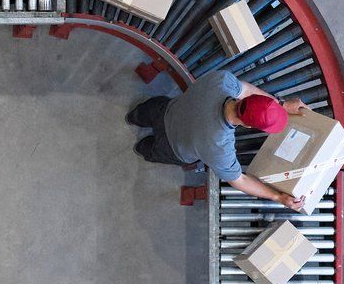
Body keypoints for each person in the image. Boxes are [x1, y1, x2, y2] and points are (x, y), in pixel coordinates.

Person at [127, 69, 312, 212]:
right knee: (147, 149)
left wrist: (281, 104)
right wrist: (278, 197)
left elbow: (246, 89)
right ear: (247, 126)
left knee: (142, 113)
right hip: (171, 148)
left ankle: (132, 118)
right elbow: (240, 180)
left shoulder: (222, 80)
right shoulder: (219, 148)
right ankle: (140, 148)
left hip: (165, 110)